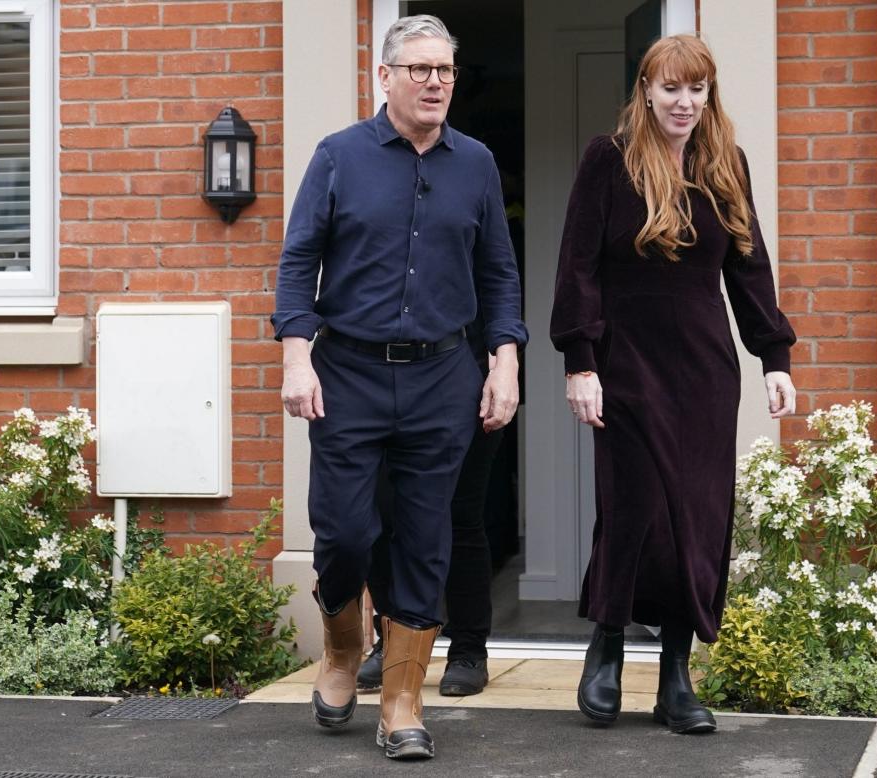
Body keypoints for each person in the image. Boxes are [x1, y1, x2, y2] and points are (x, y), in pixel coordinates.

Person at [273, 13, 527, 760]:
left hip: (443, 376)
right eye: (419, 69)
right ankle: (345, 649)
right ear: (384, 77)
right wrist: (297, 356)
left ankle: (403, 701)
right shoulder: (338, 157)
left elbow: (499, 275)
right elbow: (297, 264)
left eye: (444, 69)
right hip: (347, 372)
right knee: (346, 533)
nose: (435, 82)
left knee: (425, 538)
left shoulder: (475, 163)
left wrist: (503, 361)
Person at [549, 35, 797, 735]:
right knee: (634, 508)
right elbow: (579, 269)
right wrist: (581, 361)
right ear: (646, 91)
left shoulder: (728, 167)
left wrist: (773, 358)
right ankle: (605, 651)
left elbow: (749, 271)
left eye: (697, 89)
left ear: (708, 94)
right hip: (626, 362)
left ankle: (677, 676)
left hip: (705, 371)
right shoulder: (611, 160)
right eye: (670, 89)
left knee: (697, 516)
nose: (683, 103)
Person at [358, 322, 505, 699]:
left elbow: (498, 290)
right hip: (381, 379)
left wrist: (503, 366)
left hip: (468, 370)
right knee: (381, 512)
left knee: (460, 514)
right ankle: (392, 641)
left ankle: (468, 650)